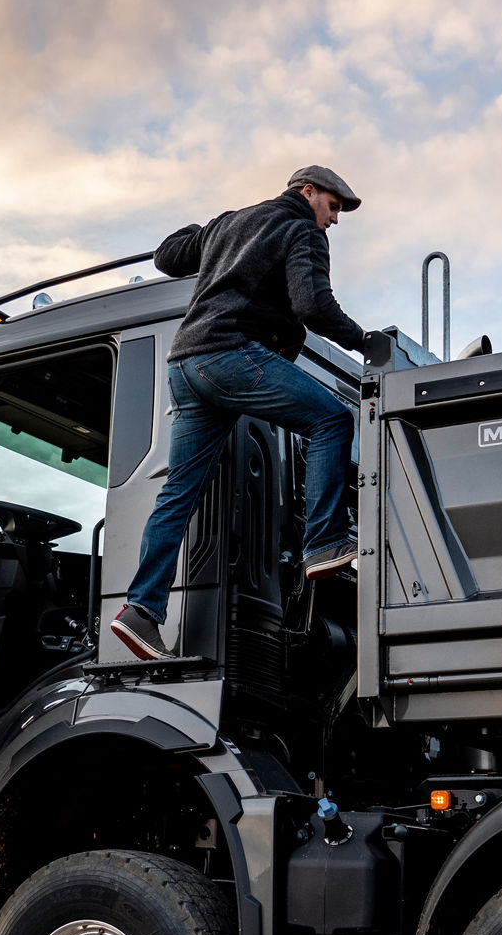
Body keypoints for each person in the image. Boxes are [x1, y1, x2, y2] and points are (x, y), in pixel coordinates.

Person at [112, 165, 367, 661]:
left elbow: (168, 255)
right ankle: (325, 543)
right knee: (332, 420)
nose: (334, 220)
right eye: (333, 207)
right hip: (231, 355)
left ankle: (140, 610)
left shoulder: (229, 222)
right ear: (308, 192)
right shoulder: (301, 230)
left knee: (177, 494)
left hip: (185, 365)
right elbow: (313, 305)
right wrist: (363, 339)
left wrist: (208, 231)